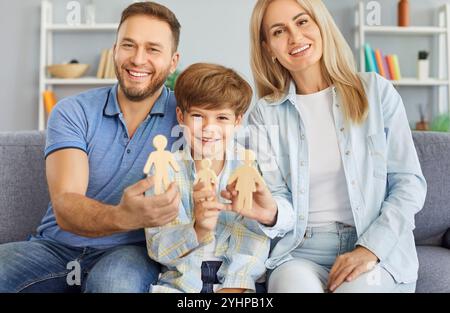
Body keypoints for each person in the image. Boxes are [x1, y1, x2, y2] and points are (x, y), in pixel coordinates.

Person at [236, 0, 427, 292]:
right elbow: (277, 196)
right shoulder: (265, 113)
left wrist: (370, 249)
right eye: (278, 31)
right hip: (301, 251)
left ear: (320, 24)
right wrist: (271, 212)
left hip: (372, 244)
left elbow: (408, 183)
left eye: (302, 22)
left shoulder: (376, 91)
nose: (295, 37)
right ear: (267, 48)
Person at [0, 1, 182, 293]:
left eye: (153, 49)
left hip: (130, 252)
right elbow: (66, 204)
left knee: (114, 285)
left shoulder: (187, 117)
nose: (137, 59)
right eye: (128, 45)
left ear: (173, 62)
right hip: (55, 247)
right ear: (114, 50)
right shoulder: (73, 111)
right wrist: (125, 216)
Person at [145, 63, 271, 293]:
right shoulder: (166, 170)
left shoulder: (249, 166)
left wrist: (233, 288)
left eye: (222, 117)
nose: (208, 128)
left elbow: (255, 239)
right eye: (198, 116)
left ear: (237, 121)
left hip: (238, 286)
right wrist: (198, 229)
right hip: (180, 286)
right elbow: (158, 247)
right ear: (181, 116)